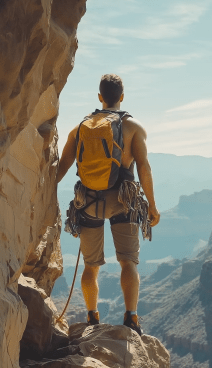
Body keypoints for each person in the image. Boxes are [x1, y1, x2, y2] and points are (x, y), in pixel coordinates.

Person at [56, 74, 160, 335]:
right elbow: (144, 169)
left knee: (91, 267)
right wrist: (152, 206)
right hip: (123, 200)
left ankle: (92, 317)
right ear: (121, 97)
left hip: (88, 201)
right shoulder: (133, 127)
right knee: (128, 262)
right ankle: (131, 318)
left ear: (100, 96)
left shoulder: (80, 128)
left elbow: (62, 166)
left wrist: (45, 193)